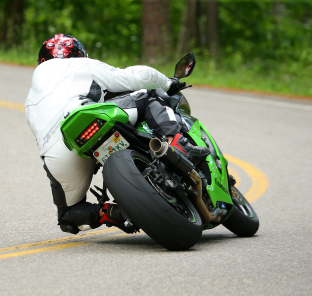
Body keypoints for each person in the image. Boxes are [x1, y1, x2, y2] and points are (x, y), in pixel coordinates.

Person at [25, 34, 209, 235]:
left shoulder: (30, 99)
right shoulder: (80, 64)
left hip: (59, 150)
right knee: (150, 95)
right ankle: (178, 144)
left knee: (68, 215)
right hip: (86, 116)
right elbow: (137, 77)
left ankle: (112, 213)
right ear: (79, 54)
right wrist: (167, 83)